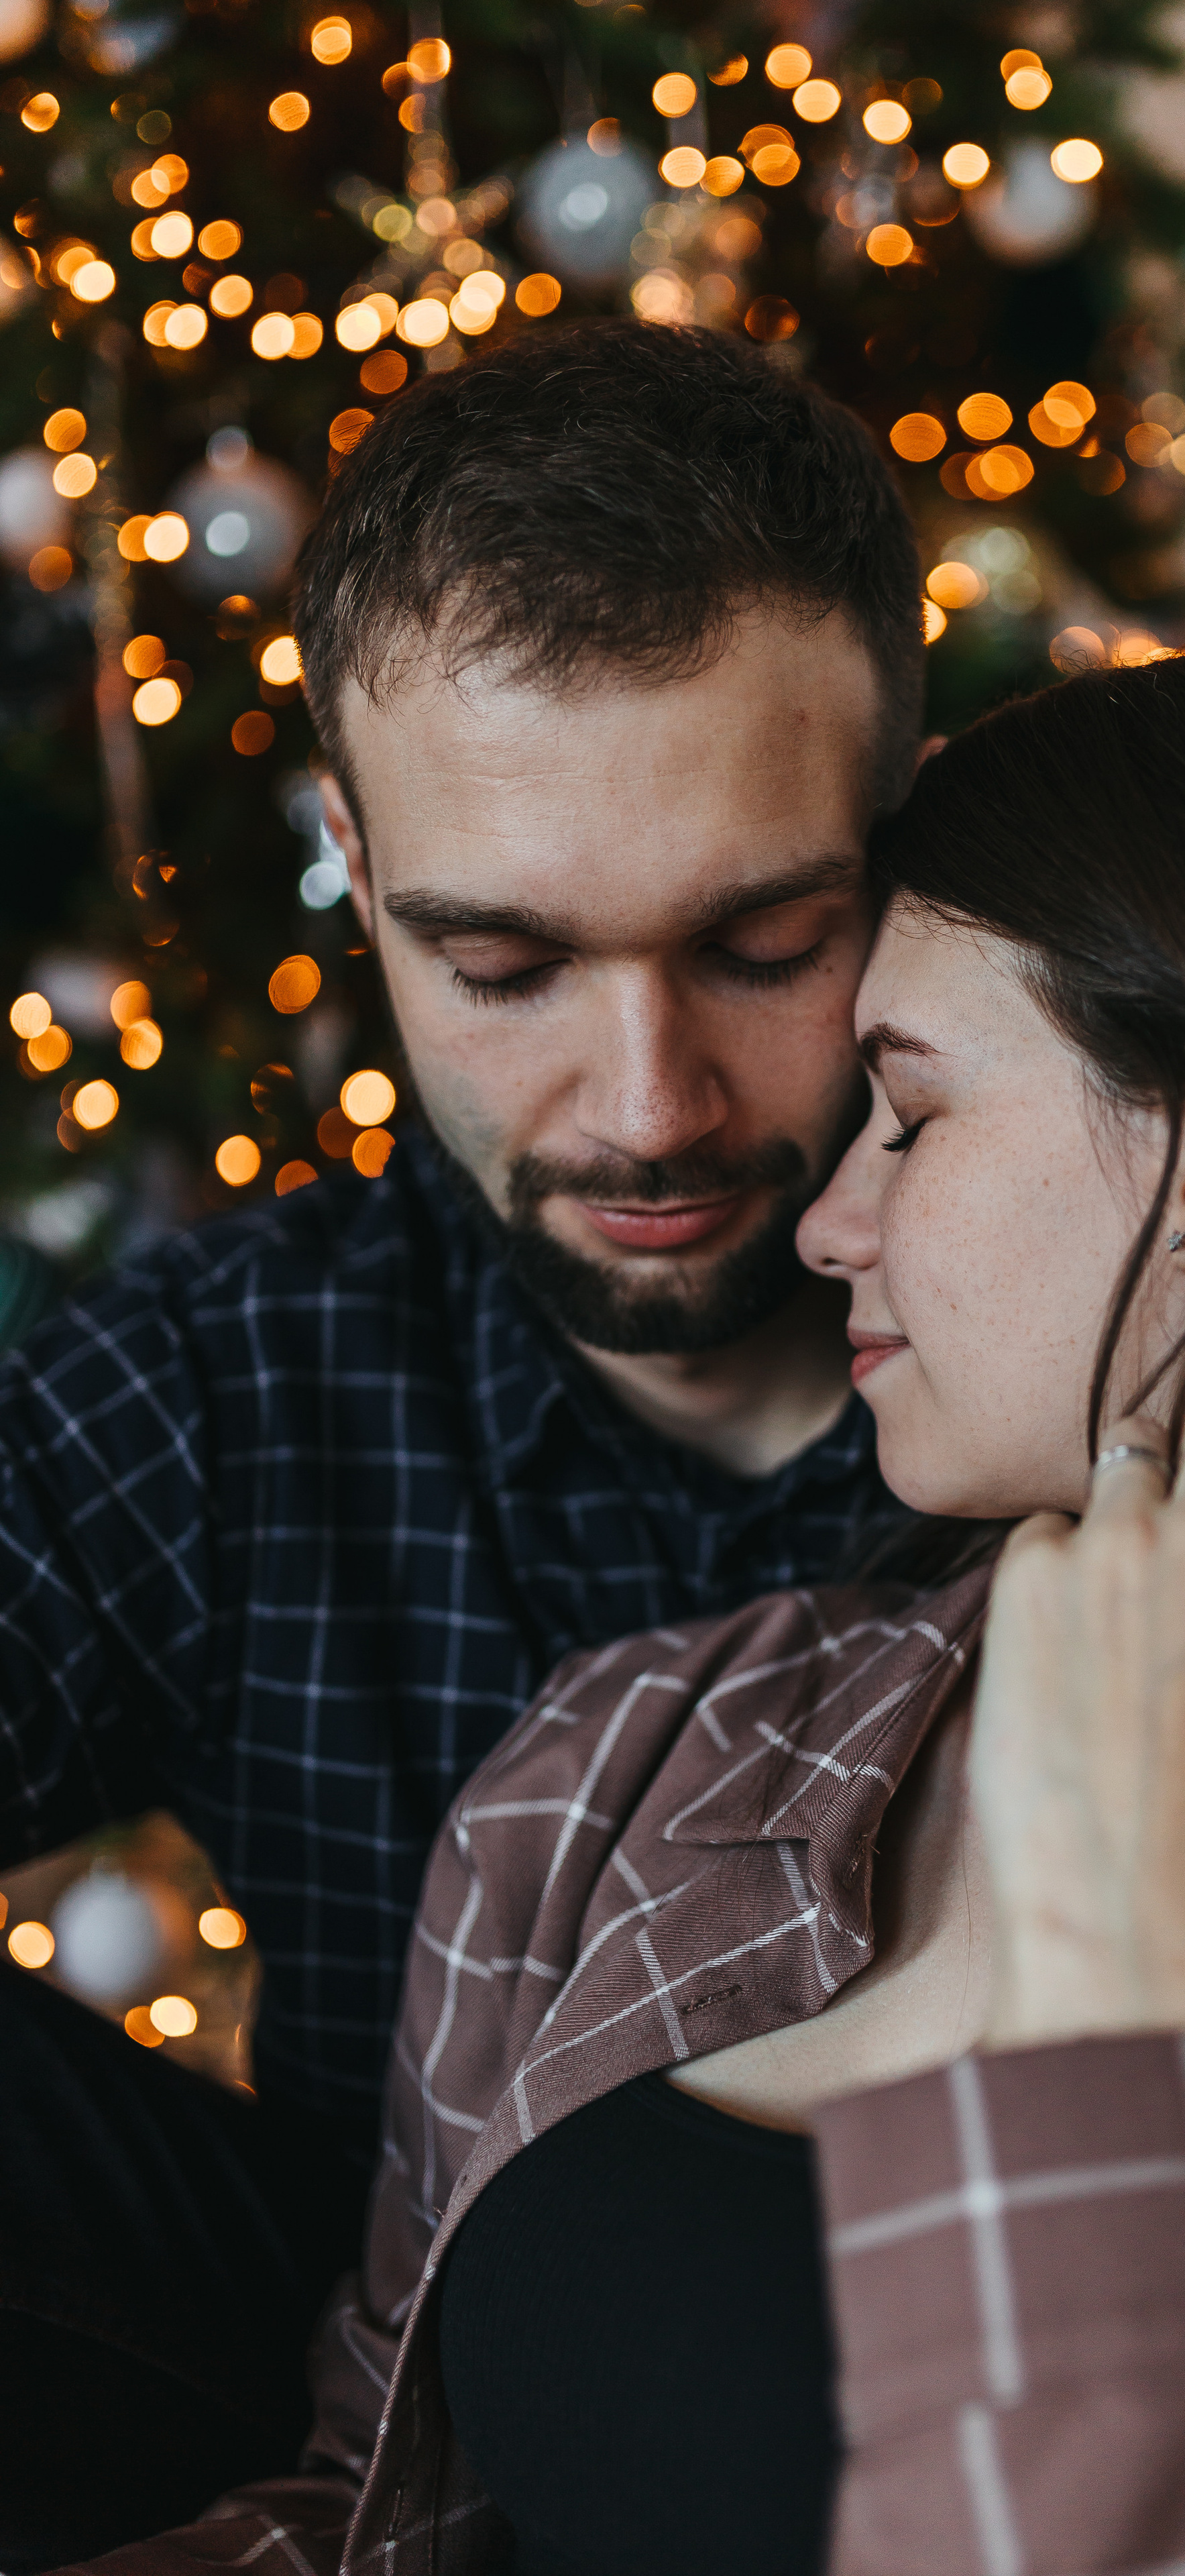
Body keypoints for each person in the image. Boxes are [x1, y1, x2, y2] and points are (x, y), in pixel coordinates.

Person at [72, 616, 1185, 2576]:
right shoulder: (639, 1749)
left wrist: (1120, 1965)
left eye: (914, 1117)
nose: (828, 1218)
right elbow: (369, 2513)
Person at [0, 320, 927, 2564]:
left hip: (926, 2387)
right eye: (503, 967)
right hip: (370, 2374)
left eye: (768, 940)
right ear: (352, 851)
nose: (647, 1105)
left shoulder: (1154, 1337)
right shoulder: (239, 1384)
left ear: (918, 830)